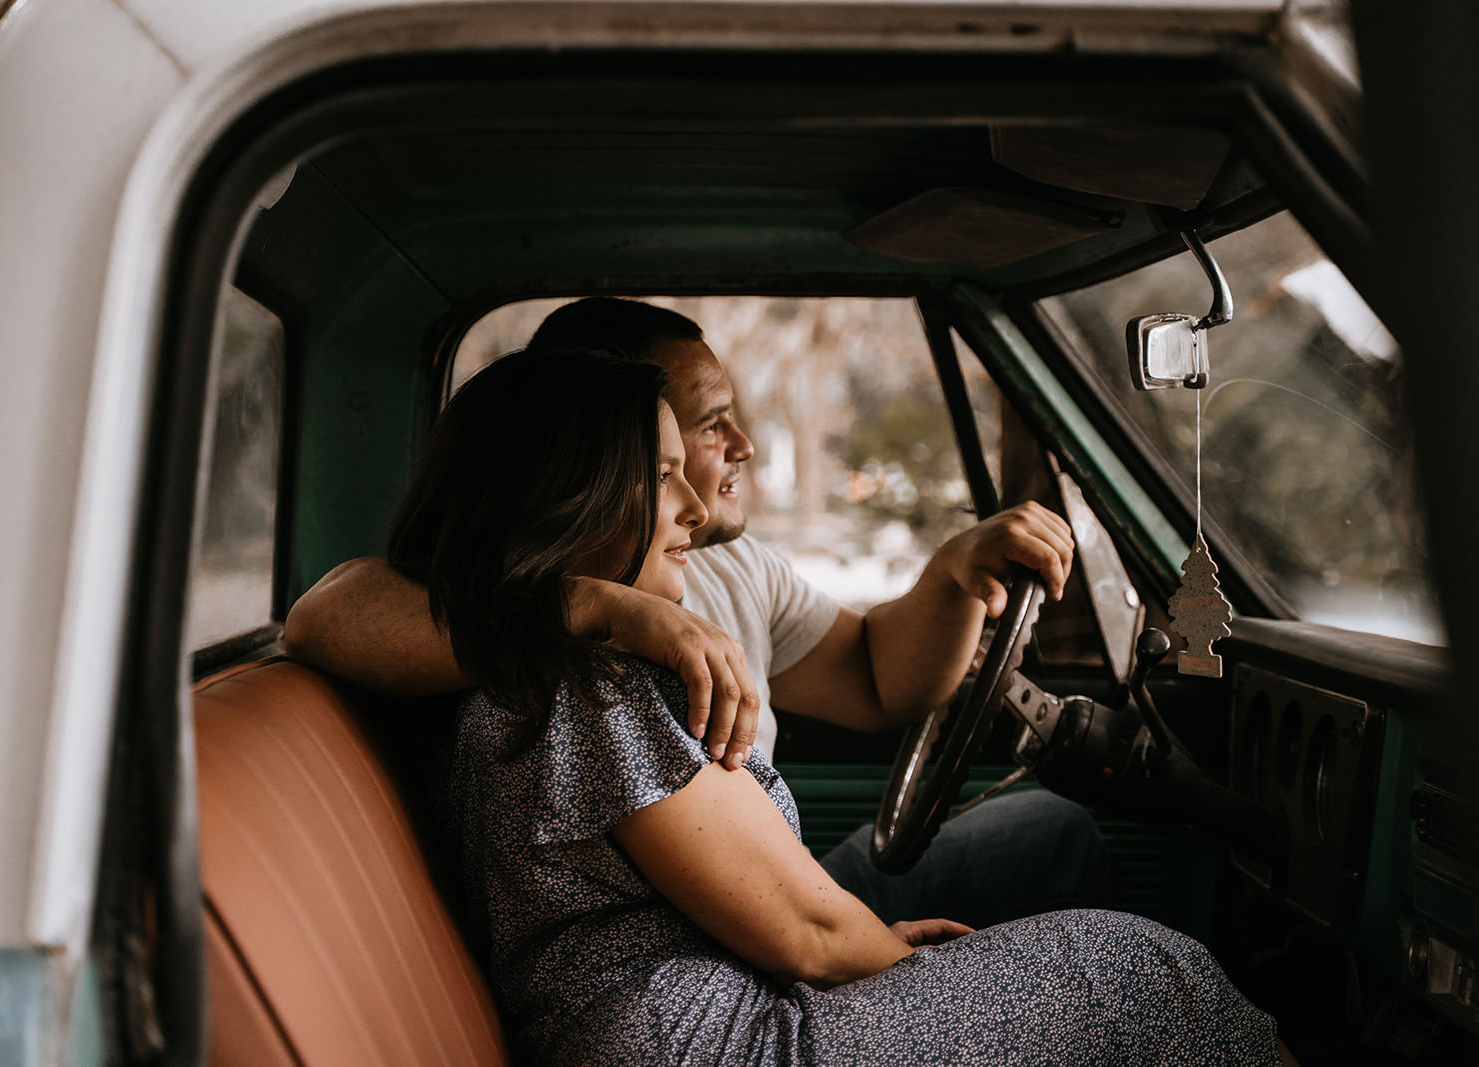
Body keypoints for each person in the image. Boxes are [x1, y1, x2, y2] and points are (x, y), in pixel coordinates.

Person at [389, 345, 1281, 1065]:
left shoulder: (530, 662)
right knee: (1144, 974)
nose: (695, 507)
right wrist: (900, 963)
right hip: (704, 1038)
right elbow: (811, 934)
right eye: (663, 475)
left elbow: (874, 678)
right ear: (572, 492)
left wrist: (897, 957)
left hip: (689, 1009)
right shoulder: (592, 681)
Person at [285, 297, 1105, 928]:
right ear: (608, 438)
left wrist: (954, 573)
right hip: (716, 944)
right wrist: (598, 605)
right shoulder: (521, 613)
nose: (743, 444)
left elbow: (876, 678)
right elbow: (322, 617)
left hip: (777, 896)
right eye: (708, 425)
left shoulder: (725, 558)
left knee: (1052, 829)